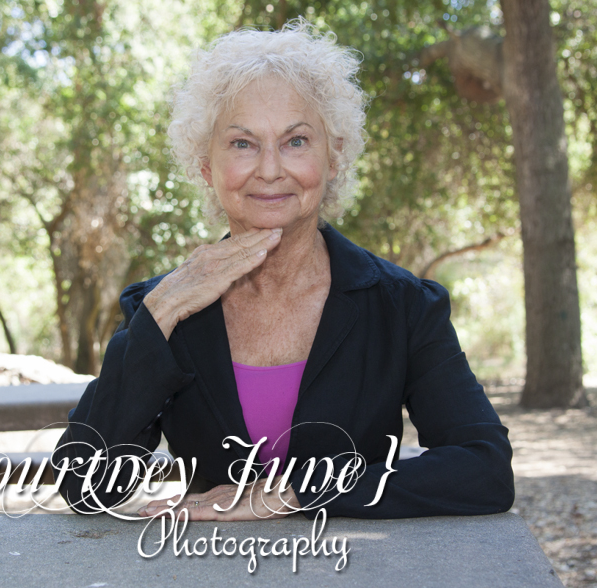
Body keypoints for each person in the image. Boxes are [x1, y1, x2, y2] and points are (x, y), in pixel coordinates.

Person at [53, 19, 514, 521]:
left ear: (333, 156)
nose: (270, 169)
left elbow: (484, 470)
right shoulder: (161, 309)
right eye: (242, 144)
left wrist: (295, 493)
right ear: (207, 167)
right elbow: (86, 484)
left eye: (295, 141)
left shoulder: (403, 307)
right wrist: (161, 311)